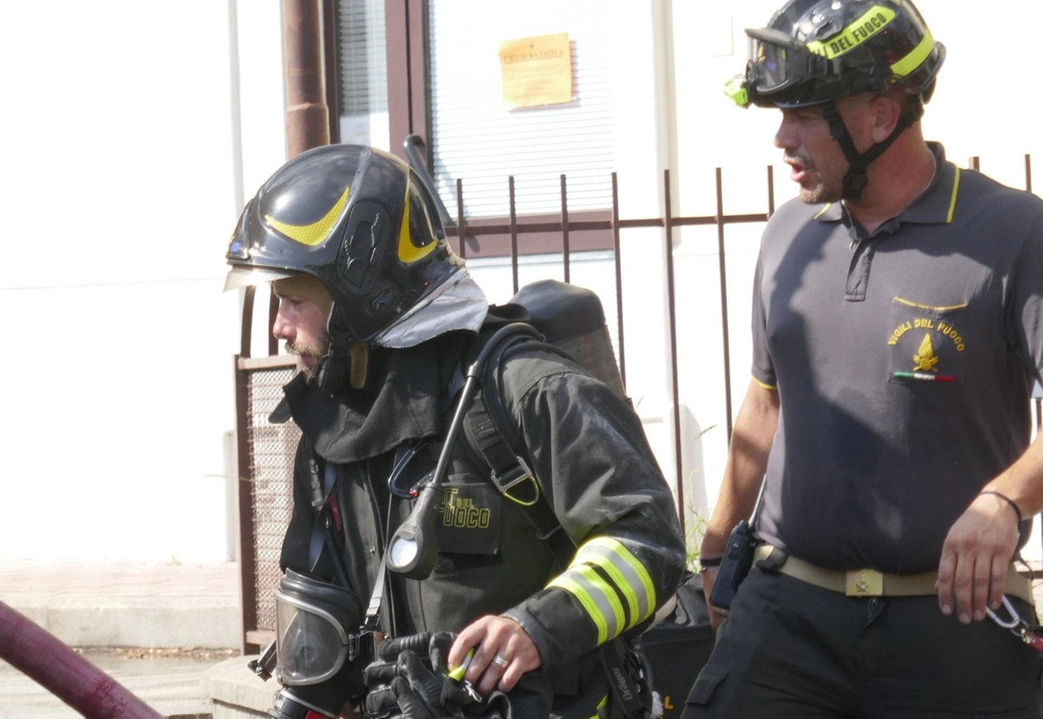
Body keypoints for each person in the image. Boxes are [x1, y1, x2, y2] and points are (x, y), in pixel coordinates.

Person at [224, 144, 685, 719]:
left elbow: (649, 544)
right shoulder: (333, 423)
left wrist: (535, 628)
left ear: (360, 292)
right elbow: (324, 604)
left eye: (293, 300)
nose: (279, 326)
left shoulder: (523, 390)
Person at [688, 1, 1043, 717]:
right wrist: (715, 550)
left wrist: (1004, 499)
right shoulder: (789, 235)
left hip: (956, 621)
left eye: (804, 115)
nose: (782, 138)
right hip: (788, 613)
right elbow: (766, 403)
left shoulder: (1014, 232)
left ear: (882, 116)